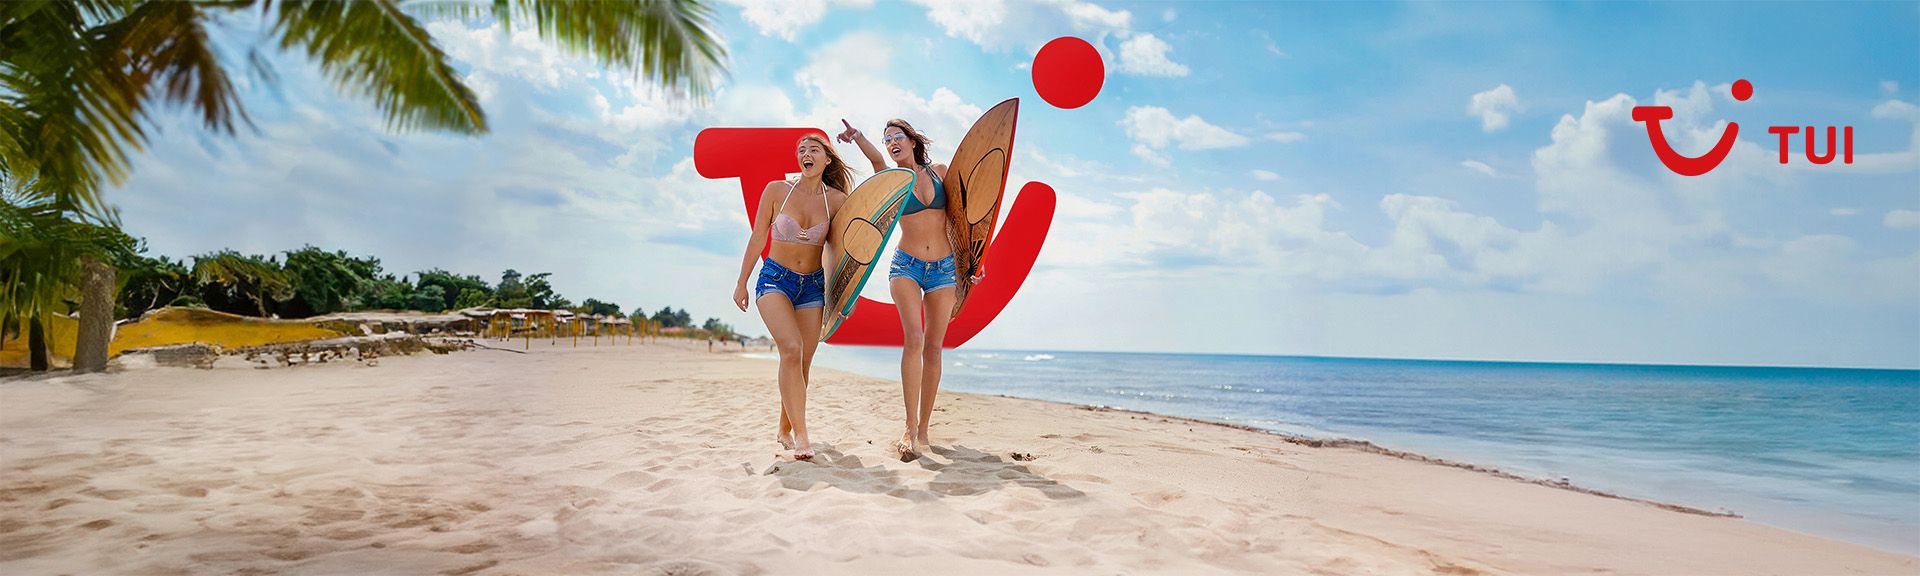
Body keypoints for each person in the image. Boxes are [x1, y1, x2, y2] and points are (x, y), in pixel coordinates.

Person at [837, 118, 979, 458]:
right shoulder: (894, 180)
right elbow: (875, 163)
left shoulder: (941, 172)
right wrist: (858, 137)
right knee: (913, 340)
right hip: (906, 266)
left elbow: (964, 219)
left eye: (896, 137)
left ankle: (924, 429)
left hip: (945, 269)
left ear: (912, 141)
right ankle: (908, 426)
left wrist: (974, 261)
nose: (890, 143)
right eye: (886, 140)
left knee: (933, 348)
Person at [733, 134, 853, 460]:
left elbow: (840, 252)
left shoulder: (838, 201)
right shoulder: (777, 191)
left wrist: (841, 298)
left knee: (803, 364)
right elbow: (759, 237)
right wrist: (742, 282)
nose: (806, 153)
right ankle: (802, 436)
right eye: (801, 150)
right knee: (791, 349)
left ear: (827, 159)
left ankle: (784, 428)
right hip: (775, 280)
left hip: (813, 286)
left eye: (813, 149)